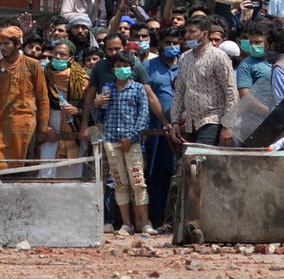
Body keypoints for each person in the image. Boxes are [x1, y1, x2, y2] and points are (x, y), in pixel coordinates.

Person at [93, 51, 153, 235]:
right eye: (118, 66)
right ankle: (126, 223)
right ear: (112, 69)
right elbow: (99, 118)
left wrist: (131, 137)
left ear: (131, 68)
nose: (121, 69)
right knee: (119, 183)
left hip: (132, 142)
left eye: (125, 66)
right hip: (111, 141)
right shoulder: (107, 90)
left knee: (138, 182)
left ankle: (144, 223)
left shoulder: (138, 89)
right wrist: (97, 104)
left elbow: (143, 116)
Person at [0, 26, 49, 170]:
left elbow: (42, 98)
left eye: (6, 43)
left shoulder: (33, 65)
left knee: (23, 171)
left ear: (17, 44)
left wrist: (43, 128)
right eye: (0, 44)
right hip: (0, 127)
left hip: (26, 128)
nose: (2, 47)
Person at [169, 17, 238, 147]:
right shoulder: (184, 58)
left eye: (192, 31)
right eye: (186, 31)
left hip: (212, 121)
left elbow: (231, 92)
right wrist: (175, 121)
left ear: (205, 33)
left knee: (202, 157)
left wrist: (228, 126)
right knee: (190, 159)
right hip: (190, 123)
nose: (187, 35)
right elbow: (180, 92)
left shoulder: (219, 56)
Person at [143, 27, 181, 226]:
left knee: (181, 172)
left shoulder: (186, 63)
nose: (172, 46)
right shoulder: (148, 66)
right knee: (157, 173)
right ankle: (157, 218)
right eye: (168, 43)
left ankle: (178, 217)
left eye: (175, 42)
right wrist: (165, 121)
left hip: (184, 128)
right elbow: (147, 96)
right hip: (157, 130)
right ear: (159, 45)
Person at [39, 39, 88, 179]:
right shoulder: (43, 77)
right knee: (45, 177)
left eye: (62, 54)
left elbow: (91, 108)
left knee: (71, 181)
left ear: (71, 59)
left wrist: (77, 111)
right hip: (49, 137)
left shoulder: (83, 80)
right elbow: (35, 105)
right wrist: (45, 128)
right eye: (55, 54)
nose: (58, 57)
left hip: (74, 138)